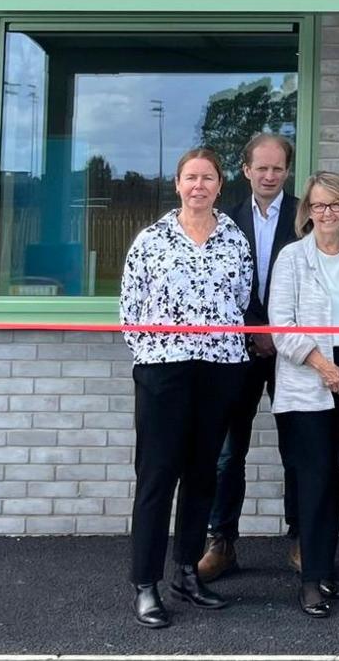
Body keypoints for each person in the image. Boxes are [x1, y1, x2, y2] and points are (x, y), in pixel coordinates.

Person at [120, 147, 252, 629]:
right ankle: (146, 584)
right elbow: (130, 310)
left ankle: (187, 573)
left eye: (208, 179)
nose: (199, 186)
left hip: (219, 367)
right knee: (158, 476)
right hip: (164, 369)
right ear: (177, 184)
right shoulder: (151, 239)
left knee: (203, 474)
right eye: (190, 178)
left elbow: (239, 298)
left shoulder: (234, 239)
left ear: (220, 186)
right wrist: (156, 354)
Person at [200, 133, 301, 581]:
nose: (269, 175)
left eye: (278, 168)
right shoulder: (225, 220)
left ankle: (300, 538)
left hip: (292, 351)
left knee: (298, 448)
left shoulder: (305, 215)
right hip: (236, 351)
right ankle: (221, 542)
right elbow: (219, 287)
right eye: (261, 167)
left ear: (287, 170)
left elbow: (312, 278)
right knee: (226, 453)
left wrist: (279, 332)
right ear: (245, 170)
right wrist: (255, 329)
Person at [268, 172, 339, 618]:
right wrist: (323, 366)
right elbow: (280, 325)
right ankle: (308, 581)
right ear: (308, 211)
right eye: (318, 205)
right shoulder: (291, 258)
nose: (326, 213)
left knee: (337, 480)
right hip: (308, 380)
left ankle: (326, 571)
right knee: (313, 478)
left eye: (334, 205)